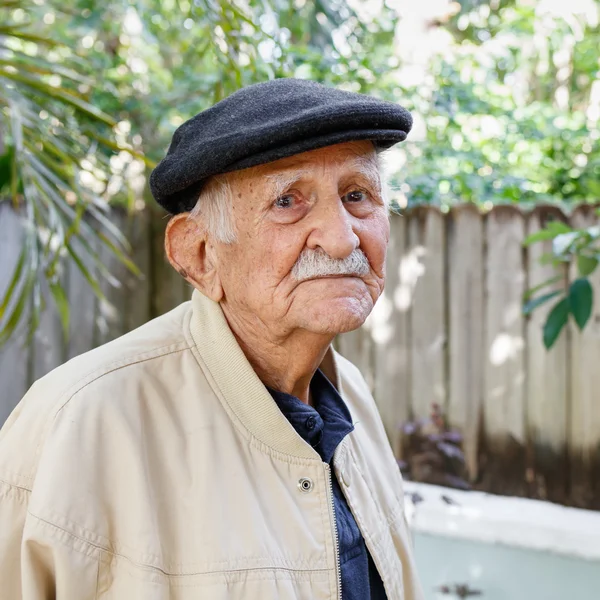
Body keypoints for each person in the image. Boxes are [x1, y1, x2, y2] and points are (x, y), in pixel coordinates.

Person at [0, 78, 424, 599]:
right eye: (288, 201)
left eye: (357, 195)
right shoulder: (81, 421)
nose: (341, 239)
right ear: (198, 254)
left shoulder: (350, 394)